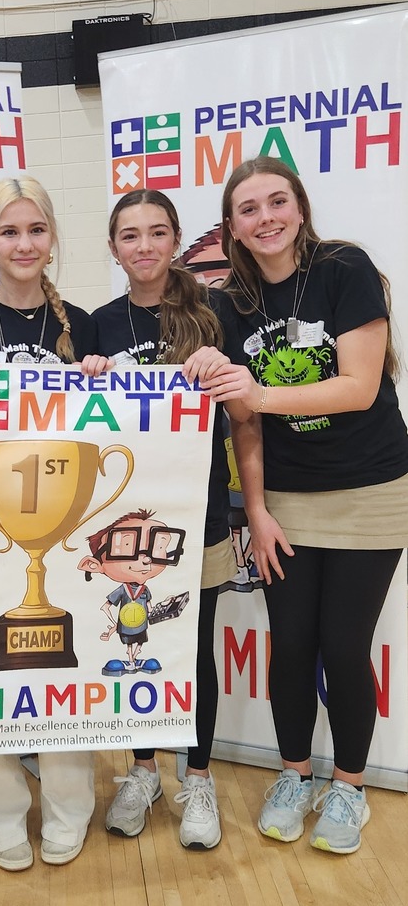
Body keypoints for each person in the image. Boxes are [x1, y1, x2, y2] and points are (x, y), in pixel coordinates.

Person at [201, 156, 408, 854]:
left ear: (299, 205)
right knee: (290, 646)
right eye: (249, 209)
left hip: (370, 491)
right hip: (285, 497)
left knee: (344, 648)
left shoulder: (345, 270)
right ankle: (294, 775)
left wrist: (258, 392)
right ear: (231, 225)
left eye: (276, 202)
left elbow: (357, 385)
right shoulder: (230, 303)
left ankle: (348, 786)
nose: (265, 218)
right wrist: (255, 509)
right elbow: (244, 424)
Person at [0, 175, 110, 872]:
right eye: (10, 232)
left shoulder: (83, 326)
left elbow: (106, 431)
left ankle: (69, 806)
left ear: (53, 236)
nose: (24, 244)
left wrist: (103, 379)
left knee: (68, 665)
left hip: (64, 526)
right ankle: (1, 813)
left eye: (36, 230)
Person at [92, 189, 235, 849]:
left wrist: (222, 367)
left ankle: (197, 777)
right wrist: (83, 375)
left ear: (176, 238)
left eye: (156, 232)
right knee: (136, 646)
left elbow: (246, 417)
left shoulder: (215, 311)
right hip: (125, 523)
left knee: (193, 646)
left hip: (196, 510)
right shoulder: (96, 323)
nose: (144, 245)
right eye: (130, 235)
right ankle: (143, 770)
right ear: (114, 247)